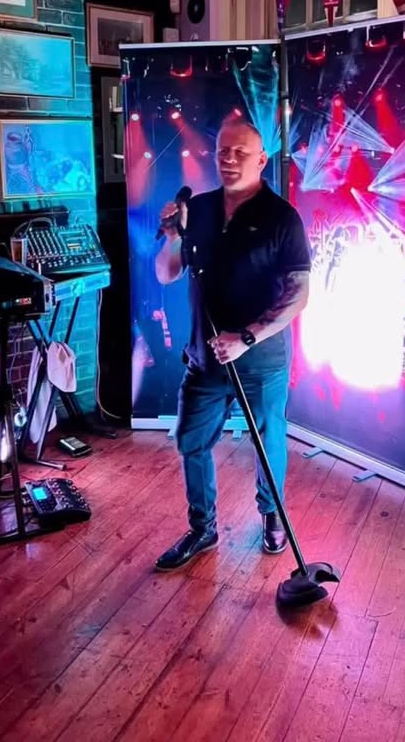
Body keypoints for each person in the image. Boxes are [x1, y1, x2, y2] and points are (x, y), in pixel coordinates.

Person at [153, 116, 311, 572]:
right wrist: (172, 236)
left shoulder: (282, 218)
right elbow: (166, 273)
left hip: (260, 359)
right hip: (204, 358)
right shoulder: (198, 209)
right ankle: (202, 528)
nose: (229, 159)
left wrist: (246, 338)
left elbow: (299, 294)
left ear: (261, 160)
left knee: (267, 440)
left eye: (241, 153)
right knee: (191, 441)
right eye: (223, 150)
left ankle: (271, 515)